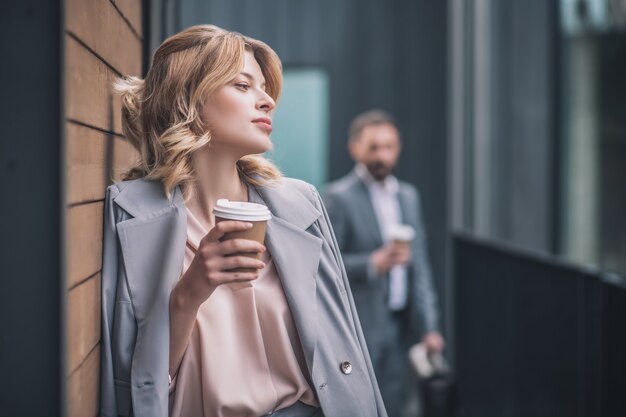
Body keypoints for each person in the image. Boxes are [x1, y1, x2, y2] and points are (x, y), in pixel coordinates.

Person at [99, 25, 387, 417]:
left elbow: (347, 346)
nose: (267, 100)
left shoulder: (301, 205)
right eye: (242, 85)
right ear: (187, 101)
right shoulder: (131, 214)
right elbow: (135, 386)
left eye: (266, 88)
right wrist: (189, 293)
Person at [323, 110, 445, 417]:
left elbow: (421, 269)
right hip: (358, 326)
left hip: (400, 324)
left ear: (398, 148)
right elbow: (324, 267)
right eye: (374, 147)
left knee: (395, 404)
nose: (382, 155)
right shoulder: (338, 197)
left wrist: (429, 326)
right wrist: (372, 264)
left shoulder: (408, 196)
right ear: (355, 149)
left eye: (388, 146)